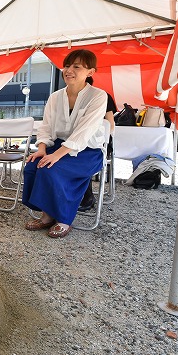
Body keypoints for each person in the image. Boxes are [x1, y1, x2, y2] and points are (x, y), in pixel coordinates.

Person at [22, 49, 107, 238]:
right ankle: (47, 215)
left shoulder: (98, 96)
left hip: (88, 151)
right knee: (33, 166)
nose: (69, 70)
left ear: (90, 72)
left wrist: (56, 155)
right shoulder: (55, 97)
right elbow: (46, 126)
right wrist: (42, 149)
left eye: (76, 66)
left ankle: (64, 219)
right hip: (58, 146)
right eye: (67, 65)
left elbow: (84, 131)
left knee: (51, 168)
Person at [78, 76, 116, 211]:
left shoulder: (101, 96)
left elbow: (110, 125)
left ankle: (87, 196)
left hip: (97, 142)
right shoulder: (66, 97)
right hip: (77, 140)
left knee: (81, 155)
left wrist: (94, 135)